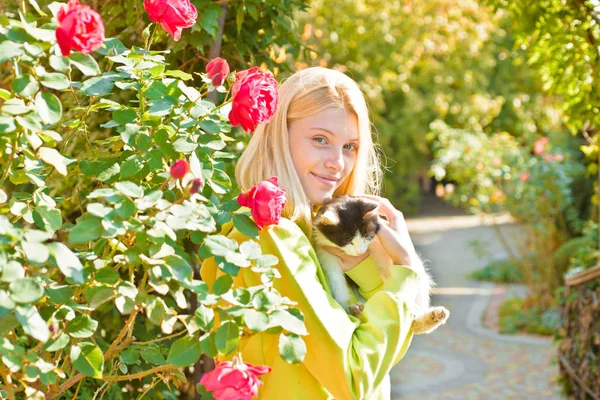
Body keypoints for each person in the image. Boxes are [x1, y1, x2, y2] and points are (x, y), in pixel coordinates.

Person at [200, 67, 428, 399]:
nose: (337, 162)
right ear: (280, 136)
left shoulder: (318, 234)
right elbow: (354, 378)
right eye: (320, 139)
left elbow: (380, 355)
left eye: (350, 146)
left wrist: (374, 266)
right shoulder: (271, 235)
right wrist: (405, 266)